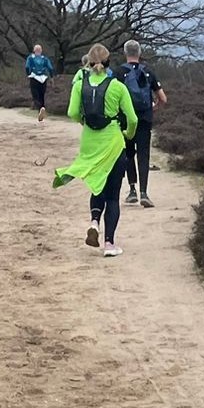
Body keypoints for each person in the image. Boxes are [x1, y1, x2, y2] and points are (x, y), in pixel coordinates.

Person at [50, 44, 137, 258]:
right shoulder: (117, 86)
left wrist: (84, 122)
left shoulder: (80, 85)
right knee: (113, 196)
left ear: (88, 62)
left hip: (90, 142)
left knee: (97, 187)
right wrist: (127, 133)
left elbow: (71, 112)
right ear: (109, 62)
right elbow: (133, 118)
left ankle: (94, 221)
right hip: (113, 143)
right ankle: (109, 244)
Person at [117, 40, 167, 206]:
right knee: (143, 154)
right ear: (139, 53)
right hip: (145, 118)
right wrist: (154, 108)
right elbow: (163, 98)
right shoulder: (148, 72)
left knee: (128, 153)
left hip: (126, 119)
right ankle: (144, 193)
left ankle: (132, 190)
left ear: (126, 53)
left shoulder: (119, 72)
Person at [26, 45, 55, 123]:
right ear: (41, 51)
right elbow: (50, 68)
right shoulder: (45, 59)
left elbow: (27, 67)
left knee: (35, 96)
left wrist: (28, 74)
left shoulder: (30, 58)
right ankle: (42, 109)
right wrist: (51, 77)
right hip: (43, 78)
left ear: (34, 50)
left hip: (34, 77)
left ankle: (40, 109)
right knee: (42, 96)